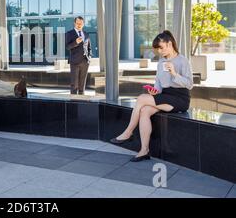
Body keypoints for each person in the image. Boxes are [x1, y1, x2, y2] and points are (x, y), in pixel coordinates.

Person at [110, 30, 193, 162]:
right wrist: (154, 91)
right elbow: (158, 82)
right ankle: (144, 150)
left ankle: (128, 132)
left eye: (161, 47)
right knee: (144, 111)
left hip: (180, 97)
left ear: (169, 43)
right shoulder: (161, 62)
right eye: (157, 49)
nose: (159, 51)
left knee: (142, 98)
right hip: (165, 95)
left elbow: (189, 84)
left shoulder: (182, 60)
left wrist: (174, 73)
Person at [66, 16, 92, 95]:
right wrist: (76, 42)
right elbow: (67, 47)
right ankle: (73, 104)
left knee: (82, 85)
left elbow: (89, 48)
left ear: (83, 24)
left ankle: (82, 102)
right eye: (77, 23)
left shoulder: (86, 34)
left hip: (85, 62)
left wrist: (89, 58)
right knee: (74, 85)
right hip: (74, 62)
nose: (79, 25)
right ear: (74, 23)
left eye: (80, 23)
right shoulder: (69, 33)